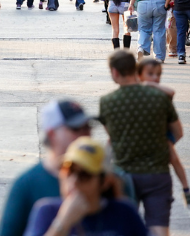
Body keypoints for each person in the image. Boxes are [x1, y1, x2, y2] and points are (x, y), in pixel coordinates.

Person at [99, 50, 182, 236]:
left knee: (126, 227)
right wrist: (162, 142)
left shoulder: (107, 102)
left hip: (124, 175)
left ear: (114, 72)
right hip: (157, 174)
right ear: (136, 70)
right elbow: (178, 132)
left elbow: (112, 137)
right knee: (159, 226)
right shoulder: (159, 97)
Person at [0, 99, 93, 236]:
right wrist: (62, 224)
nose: (85, 135)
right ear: (52, 134)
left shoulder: (110, 180)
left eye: (88, 127)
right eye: (76, 128)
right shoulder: (26, 185)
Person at [23, 137, 148, 236]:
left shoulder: (123, 212)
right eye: (68, 171)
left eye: (84, 175)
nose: (74, 181)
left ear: (104, 182)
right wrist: (62, 223)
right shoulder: (47, 212)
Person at [136, 57, 190, 204]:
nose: (155, 78)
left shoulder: (159, 91)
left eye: (158, 75)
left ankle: (186, 188)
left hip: (162, 131)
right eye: (150, 74)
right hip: (144, 132)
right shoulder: (135, 90)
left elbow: (171, 92)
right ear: (139, 74)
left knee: (173, 157)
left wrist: (149, 84)